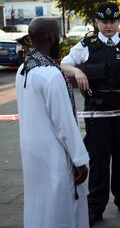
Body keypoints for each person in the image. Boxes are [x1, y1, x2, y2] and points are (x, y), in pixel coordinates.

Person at [61, 2, 120, 225]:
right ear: (97, 22)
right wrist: (75, 70)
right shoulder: (87, 44)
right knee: (98, 160)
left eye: (113, 21)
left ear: (118, 22)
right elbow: (64, 63)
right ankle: (96, 206)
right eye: (104, 21)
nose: (109, 26)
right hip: (97, 113)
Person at [16, 17, 90, 227]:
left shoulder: (24, 69)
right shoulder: (51, 75)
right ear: (50, 38)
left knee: (39, 205)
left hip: (32, 154)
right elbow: (64, 124)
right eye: (57, 35)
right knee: (62, 209)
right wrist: (79, 160)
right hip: (54, 156)